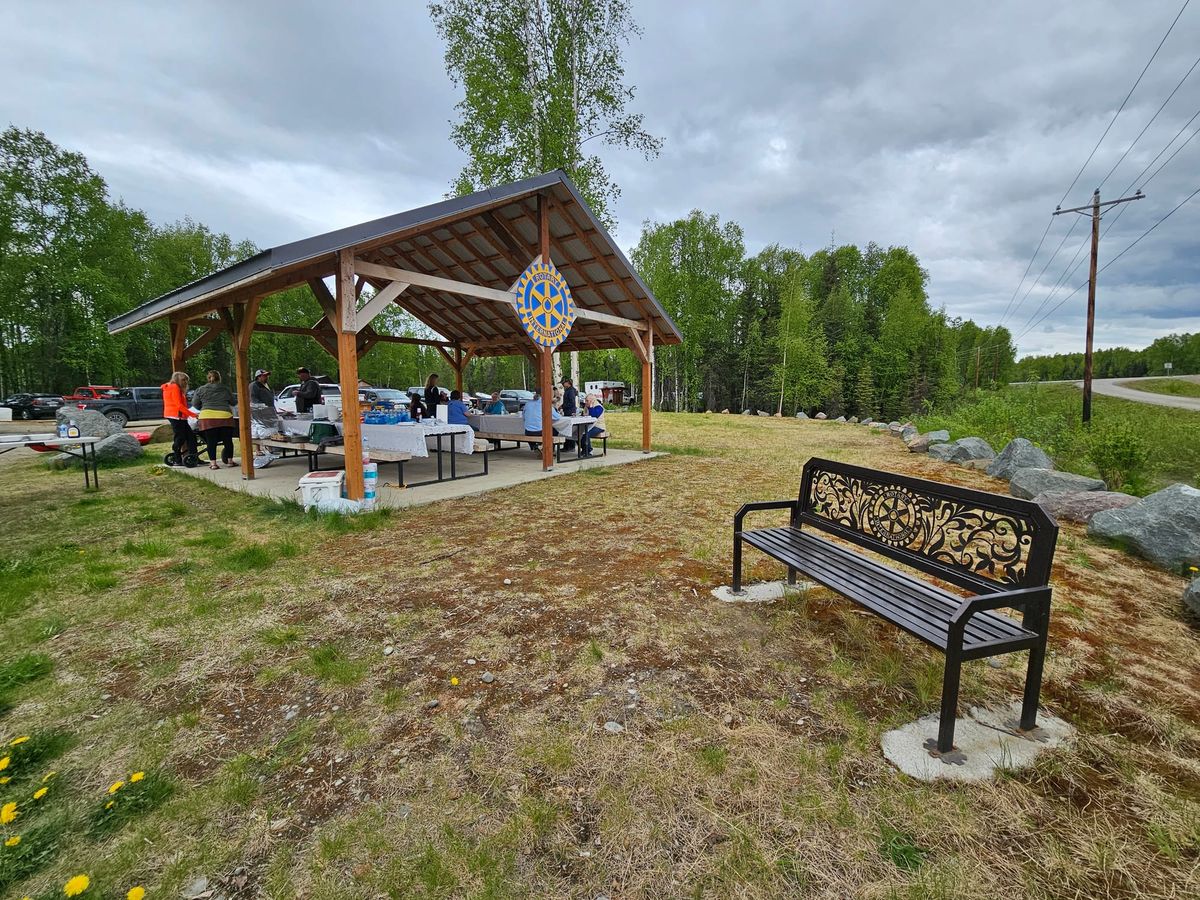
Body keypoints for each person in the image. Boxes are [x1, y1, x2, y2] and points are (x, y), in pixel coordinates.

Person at [191, 369, 237, 470]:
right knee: (228, 441)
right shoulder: (225, 389)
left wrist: (205, 407)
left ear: (208, 378)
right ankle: (230, 462)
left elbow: (195, 404)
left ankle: (213, 464)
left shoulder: (200, 389)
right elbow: (233, 402)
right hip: (225, 416)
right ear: (219, 378)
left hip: (207, 418)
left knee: (211, 442)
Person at [162, 371, 198, 464]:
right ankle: (177, 458)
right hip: (176, 416)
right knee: (180, 437)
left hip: (179, 416)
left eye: (187, 380)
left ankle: (194, 457)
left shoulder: (172, 387)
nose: (185, 382)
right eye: (183, 380)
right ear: (177, 379)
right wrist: (193, 414)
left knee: (191, 437)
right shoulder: (174, 387)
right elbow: (178, 405)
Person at [522, 388, 562, 452]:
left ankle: (534, 447)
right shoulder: (545, 404)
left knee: (530, 427)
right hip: (540, 432)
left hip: (528, 432)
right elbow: (557, 417)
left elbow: (523, 417)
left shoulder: (527, 404)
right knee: (554, 429)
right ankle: (550, 450)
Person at [578, 392, 607, 458]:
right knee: (578, 433)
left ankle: (589, 451)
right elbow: (583, 415)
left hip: (598, 426)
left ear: (592, 400)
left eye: (587, 401)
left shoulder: (599, 407)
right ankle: (584, 450)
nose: (585, 402)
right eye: (585, 400)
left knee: (586, 434)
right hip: (589, 426)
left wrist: (590, 407)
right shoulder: (586, 407)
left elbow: (594, 416)